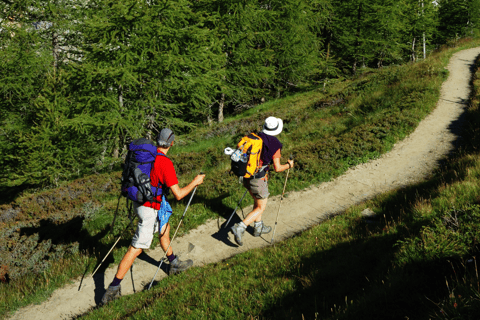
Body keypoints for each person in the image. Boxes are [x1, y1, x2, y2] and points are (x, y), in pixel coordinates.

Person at [101, 128, 205, 305]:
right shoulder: (165, 163)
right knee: (136, 247)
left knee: (164, 228)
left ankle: (174, 263)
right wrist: (195, 182)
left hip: (139, 202)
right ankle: (112, 289)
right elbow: (178, 194)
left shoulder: (146, 155)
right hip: (150, 208)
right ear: (172, 143)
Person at [230, 116, 294, 246]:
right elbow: (277, 168)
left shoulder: (256, 137)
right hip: (259, 180)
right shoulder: (275, 144)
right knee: (261, 207)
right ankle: (240, 227)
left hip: (247, 177)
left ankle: (258, 228)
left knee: (257, 202)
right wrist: (289, 165)